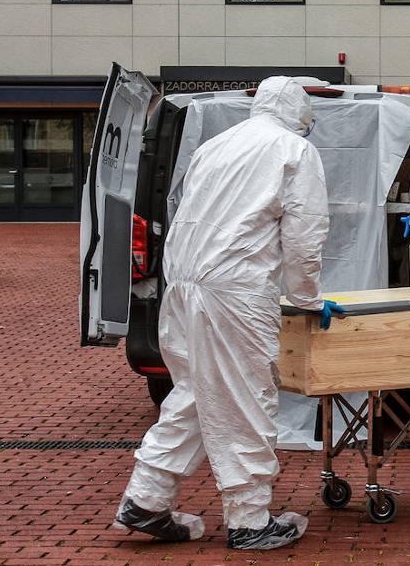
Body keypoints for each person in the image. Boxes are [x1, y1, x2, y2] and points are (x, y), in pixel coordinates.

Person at [114, 76, 344, 550]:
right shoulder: (293, 151)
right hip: (233, 291)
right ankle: (250, 520)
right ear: (298, 112)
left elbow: (186, 210)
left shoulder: (216, 146)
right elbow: (305, 235)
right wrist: (306, 299)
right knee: (245, 398)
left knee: (197, 393)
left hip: (182, 285)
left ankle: (145, 500)